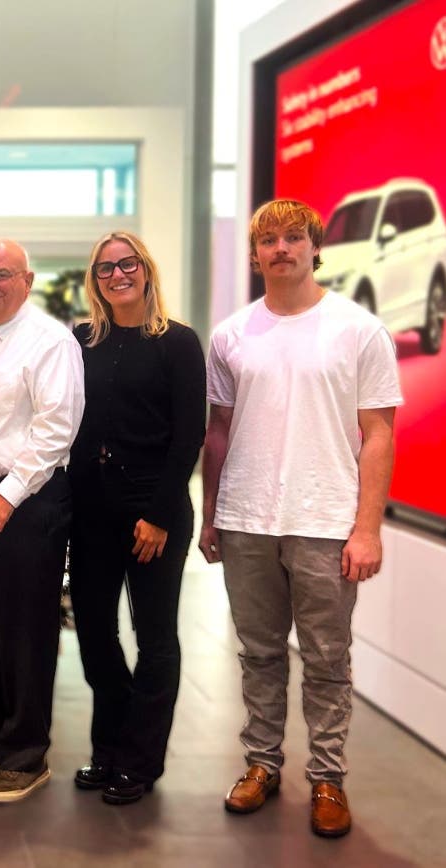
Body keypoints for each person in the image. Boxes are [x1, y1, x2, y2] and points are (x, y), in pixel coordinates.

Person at [200, 199, 401, 838]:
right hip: (247, 519)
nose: (281, 249)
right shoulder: (232, 335)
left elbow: (378, 434)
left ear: (315, 247)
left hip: (325, 520)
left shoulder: (358, 330)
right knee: (258, 653)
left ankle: (328, 777)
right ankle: (261, 763)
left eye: (293, 239)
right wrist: (211, 516)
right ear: (256, 254)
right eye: (269, 241)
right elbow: (219, 433)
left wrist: (367, 527)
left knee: (326, 658)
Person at [67, 232, 205, 805]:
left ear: (145, 270)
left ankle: (141, 761)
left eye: (126, 265)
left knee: (155, 639)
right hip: (91, 511)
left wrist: (159, 514)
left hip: (155, 510)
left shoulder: (178, 343)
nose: (116, 275)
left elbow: (189, 436)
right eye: (105, 269)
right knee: (95, 633)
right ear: (94, 279)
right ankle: (111, 743)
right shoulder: (81, 341)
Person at [0, 239, 85, 803]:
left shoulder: (50, 340)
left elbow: (56, 429)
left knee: (26, 629)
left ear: (26, 280)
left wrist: (7, 495)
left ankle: (28, 753)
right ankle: (0, 734)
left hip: (28, 501)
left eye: (1, 275)